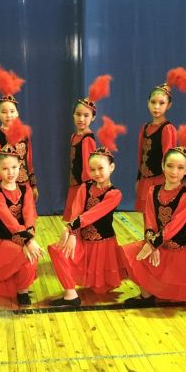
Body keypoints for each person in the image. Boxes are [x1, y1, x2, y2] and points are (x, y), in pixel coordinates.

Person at [48, 117, 128, 307]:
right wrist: (73, 234)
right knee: (56, 250)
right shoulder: (85, 188)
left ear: (111, 167)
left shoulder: (114, 194)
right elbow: (77, 211)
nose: (96, 173)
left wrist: (70, 228)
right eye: (92, 169)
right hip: (84, 241)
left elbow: (93, 214)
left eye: (101, 168)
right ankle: (70, 295)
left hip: (103, 246)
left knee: (100, 289)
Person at [122, 141, 186, 307]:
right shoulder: (153, 190)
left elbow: (175, 224)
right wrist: (152, 244)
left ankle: (162, 290)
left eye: (180, 168)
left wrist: (154, 244)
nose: (174, 171)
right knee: (130, 253)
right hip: (158, 243)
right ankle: (146, 294)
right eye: (170, 166)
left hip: (179, 248)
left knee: (176, 298)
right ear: (162, 165)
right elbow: (150, 220)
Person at [0, 144, 44, 306]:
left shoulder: (25, 189)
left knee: (32, 256)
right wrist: (27, 241)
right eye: (5, 168)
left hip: (23, 235)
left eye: (14, 167)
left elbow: (29, 215)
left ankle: (22, 290)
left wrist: (28, 239)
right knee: (27, 255)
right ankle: (17, 288)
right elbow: (9, 222)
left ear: (20, 166)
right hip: (3, 239)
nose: (10, 172)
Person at [135, 67, 186, 219]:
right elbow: (141, 156)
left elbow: (169, 158)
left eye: (161, 103)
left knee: (159, 216)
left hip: (160, 179)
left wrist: (167, 184)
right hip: (145, 180)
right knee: (146, 217)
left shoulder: (168, 129)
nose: (156, 107)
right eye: (153, 102)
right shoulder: (145, 128)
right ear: (148, 103)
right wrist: (139, 178)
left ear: (169, 105)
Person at [0, 66, 38, 201]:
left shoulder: (24, 134)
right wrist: (0, 191)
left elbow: (28, 162)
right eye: (4, 112)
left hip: (25, 186)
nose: (8, 115)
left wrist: (33, 185)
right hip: (5, 189)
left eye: (12, 111)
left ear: (17, 113)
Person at [62, 75, 109, 222]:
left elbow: (88, 167)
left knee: (79, 218)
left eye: (86, 115)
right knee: (73, 219)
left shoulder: (87, 139)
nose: (81, 119)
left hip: (82, 187)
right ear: (73, 115)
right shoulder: (74, 136)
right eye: (78, 114)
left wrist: (86, 188)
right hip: (74, 184)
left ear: (93, 118)